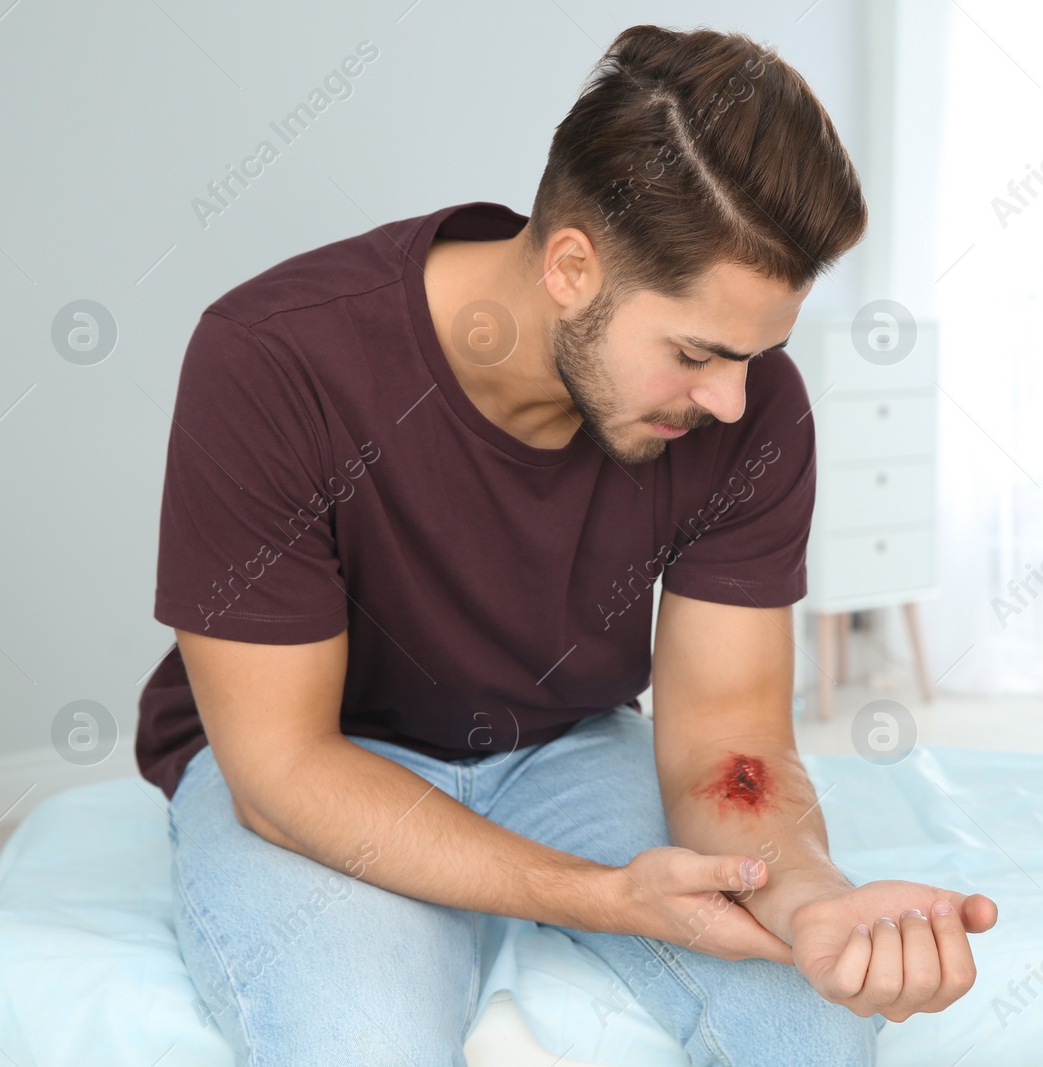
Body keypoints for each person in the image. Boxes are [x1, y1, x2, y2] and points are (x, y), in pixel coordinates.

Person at [136, 23, 996, 1066]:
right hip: (330, 761)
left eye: (755, 355)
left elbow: (728, 735)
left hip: (566, 747)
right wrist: (599, 895)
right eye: (695, 353)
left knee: (811, 1019)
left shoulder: (753, 405)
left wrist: (811, 895)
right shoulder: (274, 359)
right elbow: (280, 770)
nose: (731, 399)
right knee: (361, 1043)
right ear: (572, 266)